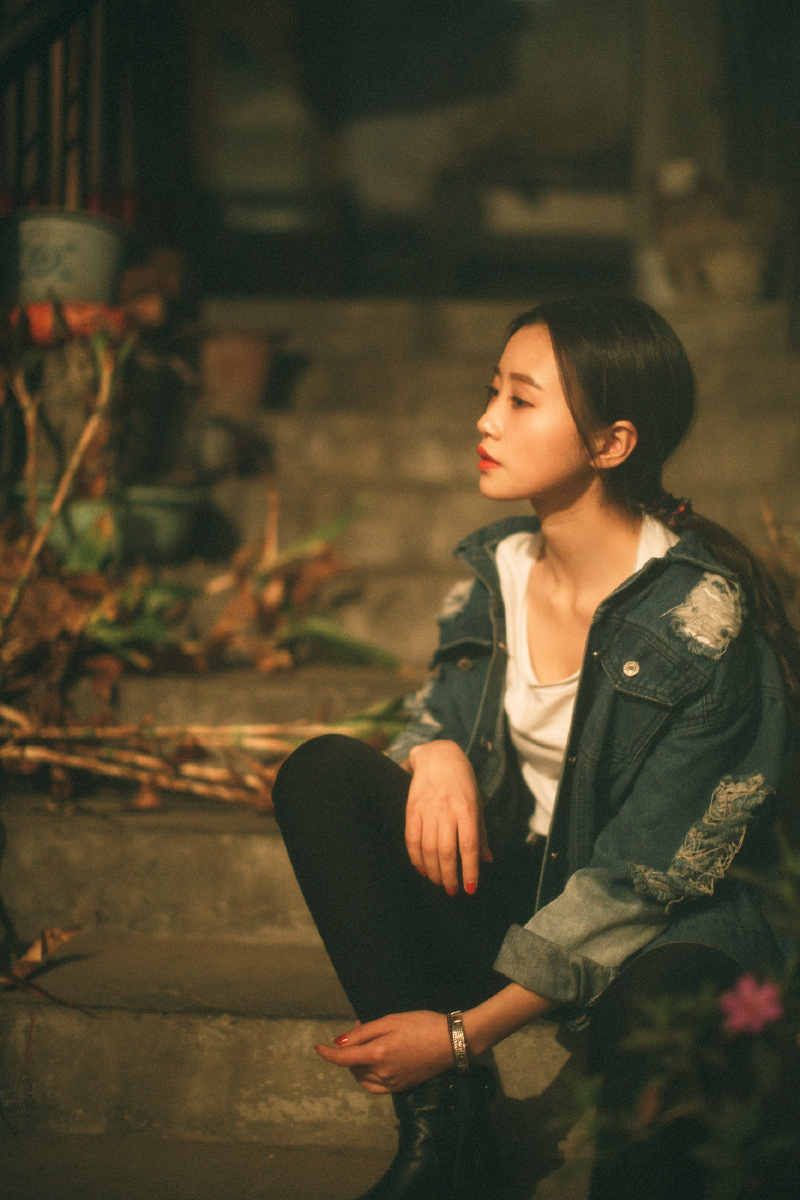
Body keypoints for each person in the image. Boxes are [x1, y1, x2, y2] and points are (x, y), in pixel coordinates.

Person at [272, 295, 797, 1200]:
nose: (486, 420)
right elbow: (440, 711)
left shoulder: (702, 622)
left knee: (655, 1010)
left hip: (669, 925)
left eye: (521, 400)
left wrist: (462, 1033)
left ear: (612, 443)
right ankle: (447, 1131)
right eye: (492, 392)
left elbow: (641, 881)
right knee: (322, 773)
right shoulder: (495, 575)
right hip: (533, 879)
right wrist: (435, 749)